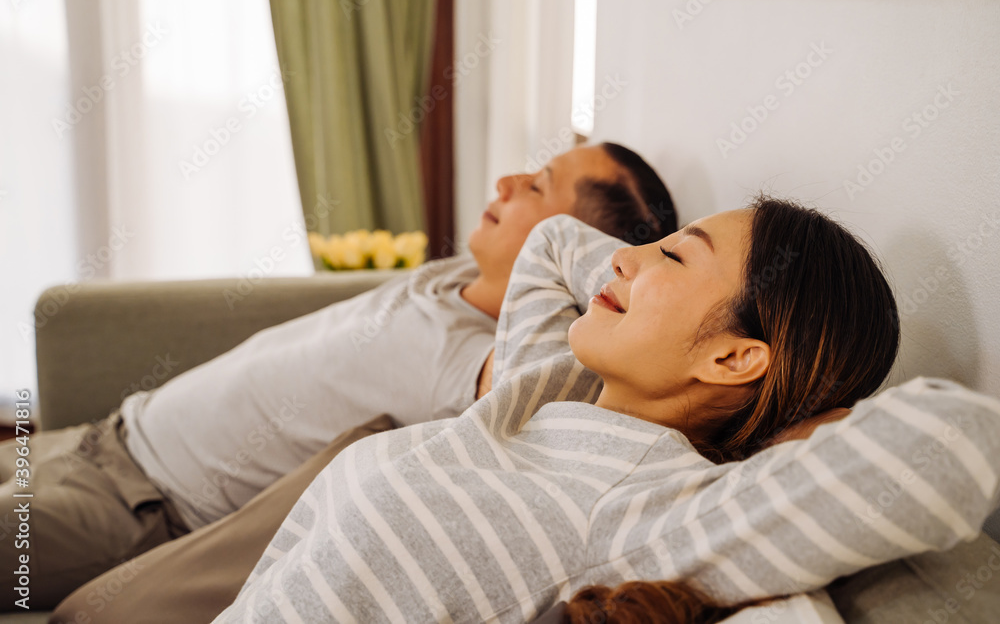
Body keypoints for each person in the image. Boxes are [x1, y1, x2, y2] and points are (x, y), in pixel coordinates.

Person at [211, 198, 1000, 623]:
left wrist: (792, 429)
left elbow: (954, 446)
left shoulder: (659, 510)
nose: (624, 255)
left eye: (673, 254)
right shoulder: (544, 391)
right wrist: (675, 312)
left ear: (733, 358)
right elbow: (553, 242)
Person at [0, 142, 678, 611]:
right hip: (103, 434)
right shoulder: (458, 280)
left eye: (537, 187)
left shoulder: (476, 358)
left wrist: (625, 276)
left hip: (134, 508)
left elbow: (558, 390)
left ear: (574, 242)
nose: (505, 182)